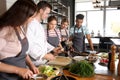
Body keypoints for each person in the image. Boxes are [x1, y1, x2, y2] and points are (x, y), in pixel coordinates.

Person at [0, 0, 39, 80]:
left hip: (20, 77)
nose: (33, 20)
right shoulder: (4, 30)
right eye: (31, 17)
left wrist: (31, 65)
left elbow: (23, 53)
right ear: (22, 15)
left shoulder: (19, 27)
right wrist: (18, 70)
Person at [26, 1, 60, 66]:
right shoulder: (30, 24)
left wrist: (53, 49)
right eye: (47, 13)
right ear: (41, 11)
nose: (47, 16)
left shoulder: (39, 25)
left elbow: (43, 42)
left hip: (41, 62)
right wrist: (45, 56)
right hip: (33, 64)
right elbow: (28, 47)